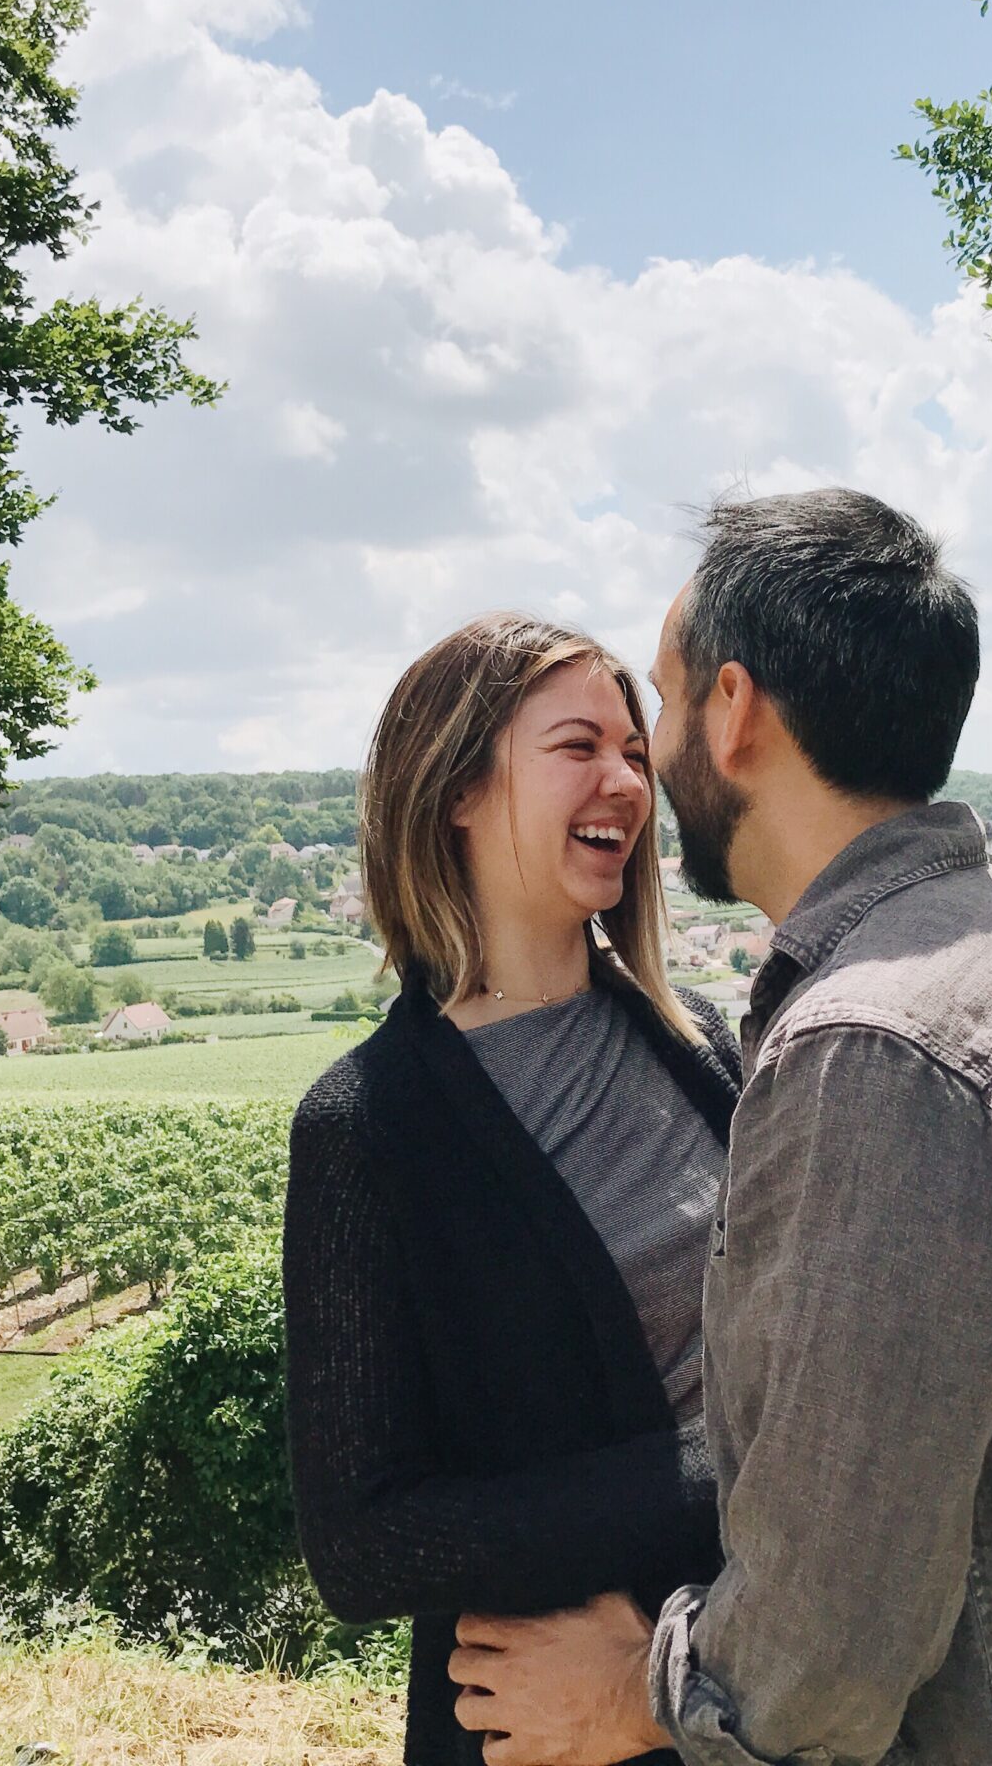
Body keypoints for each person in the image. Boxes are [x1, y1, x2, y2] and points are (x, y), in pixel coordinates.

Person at [446, 490, 992, 1766]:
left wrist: (621, 1696)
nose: (652, 761)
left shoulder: (874, 1049)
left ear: (735, 711)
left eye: (663, 706)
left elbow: (826, 1652)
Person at [283, 612, 745, 1766]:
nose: (624, 780)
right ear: (456, 790)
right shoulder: (369, 1129)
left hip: (753, 1697)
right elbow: (365, 1543)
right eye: (577, 745)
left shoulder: (711, 1053)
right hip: (536, 1728)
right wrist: (746, 1467)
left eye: (636, 753)